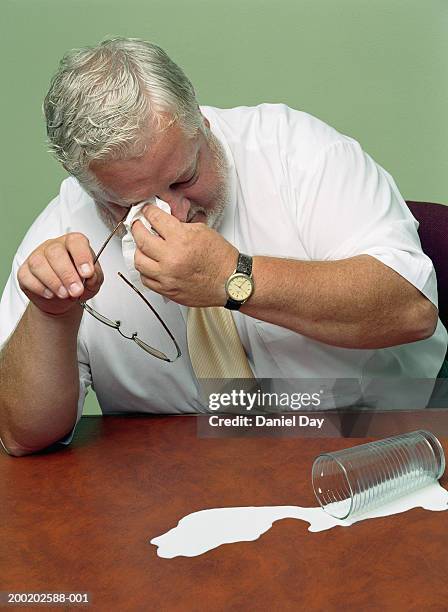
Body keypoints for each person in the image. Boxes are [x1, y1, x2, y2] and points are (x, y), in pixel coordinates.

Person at [0, 37, 446, 457]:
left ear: (200, 120)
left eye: (184, 179)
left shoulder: (299, 155)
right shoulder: (61, 235)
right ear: (89, 187)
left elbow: (412, 310)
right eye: (132, 204)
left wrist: (235, 278)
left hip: (379, 425)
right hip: (186, 471)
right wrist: (51, 318)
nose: (172, 214)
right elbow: (20, 437)